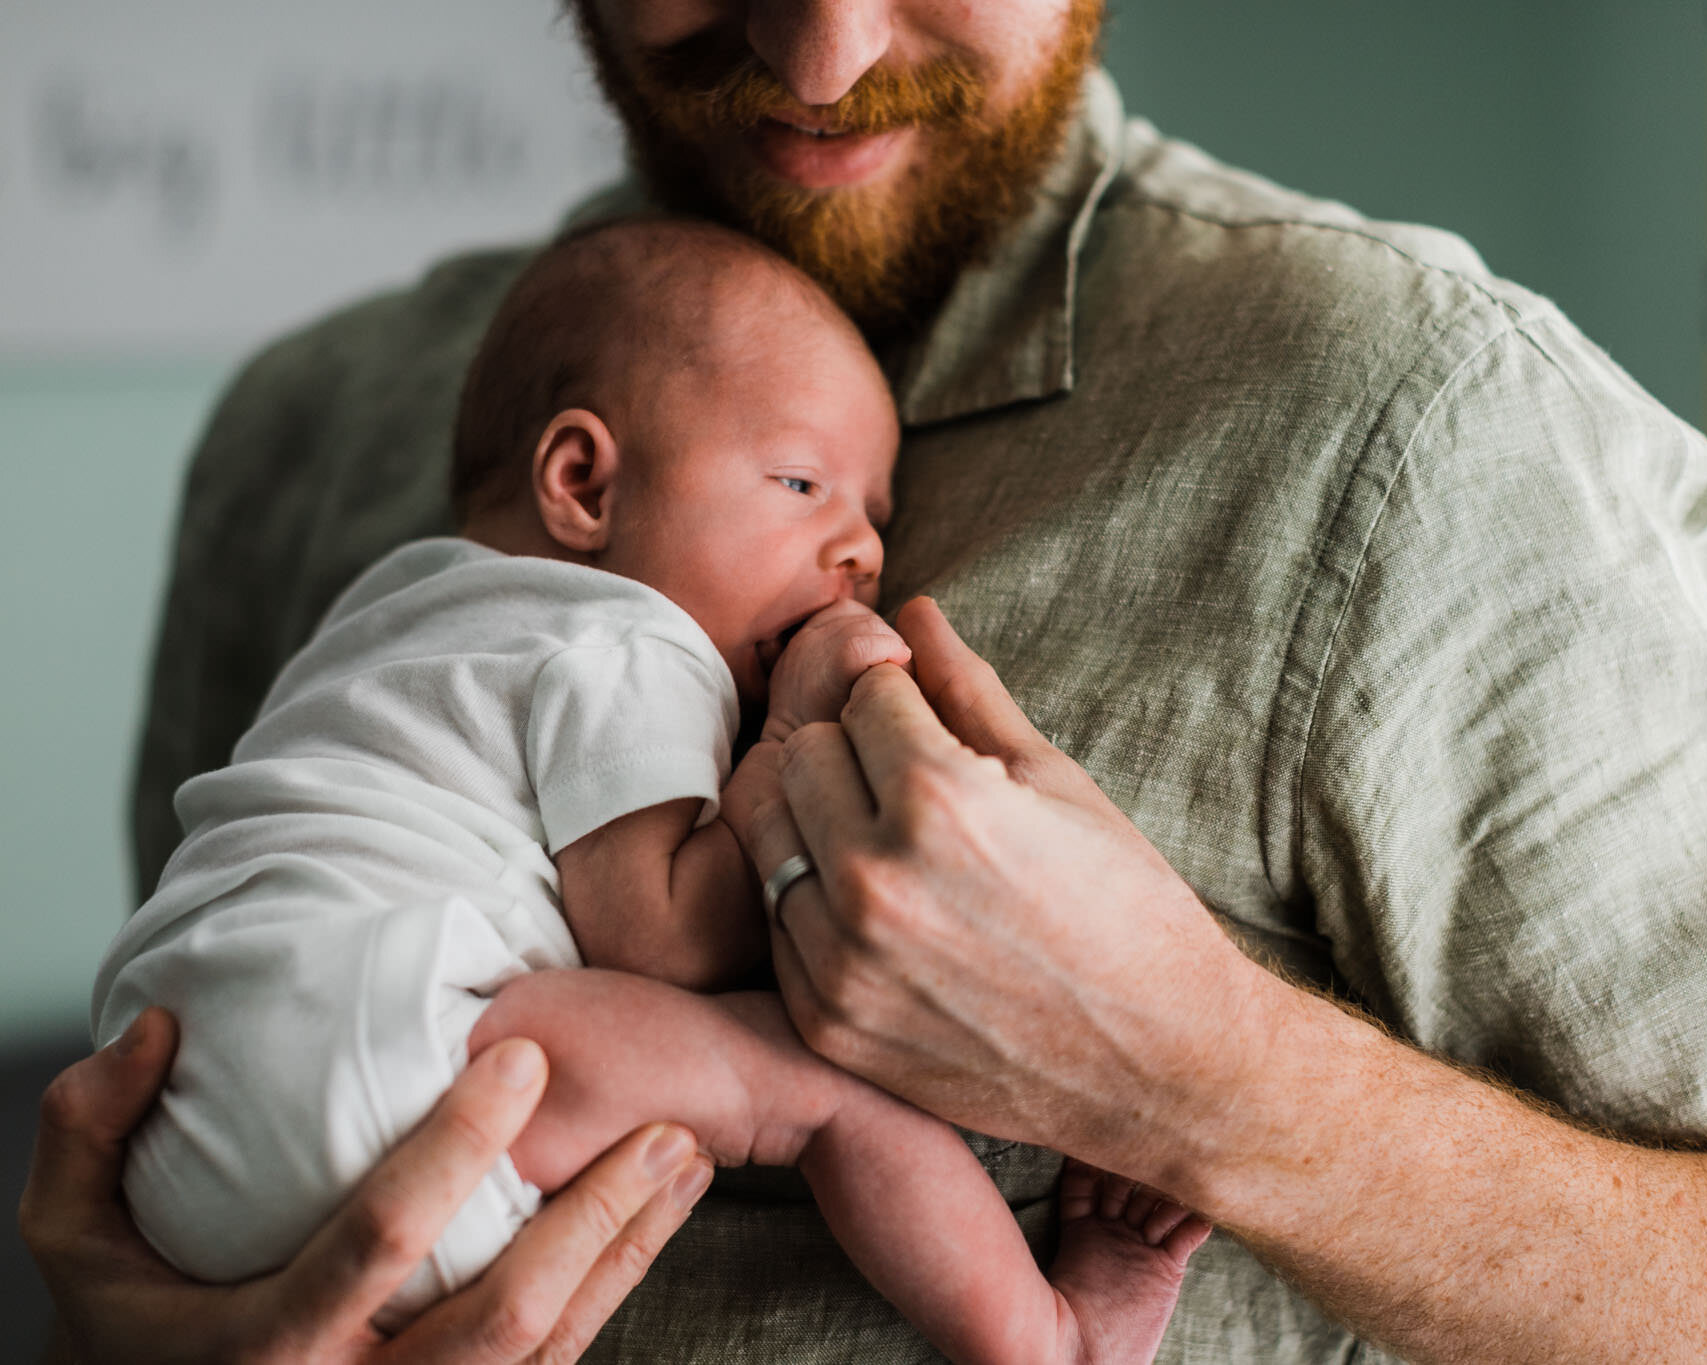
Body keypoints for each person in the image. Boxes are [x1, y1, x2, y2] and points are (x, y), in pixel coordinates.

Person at [21, 0, 1707, 1360]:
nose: (819, 55)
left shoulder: (1405, 424)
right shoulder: (306, 431)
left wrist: (1217, 1083)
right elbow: (206, 1052)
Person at [91, 215, 1205, 1362]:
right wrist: (793, 721)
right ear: (583, 483)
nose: (860, 550)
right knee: (821, 1092)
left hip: (170, 1115)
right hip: (390, 1057)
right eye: (799, 480)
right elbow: (658, 942)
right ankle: (1051, 1337)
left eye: (873, 513)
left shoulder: (391, 611)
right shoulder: (622, 636)